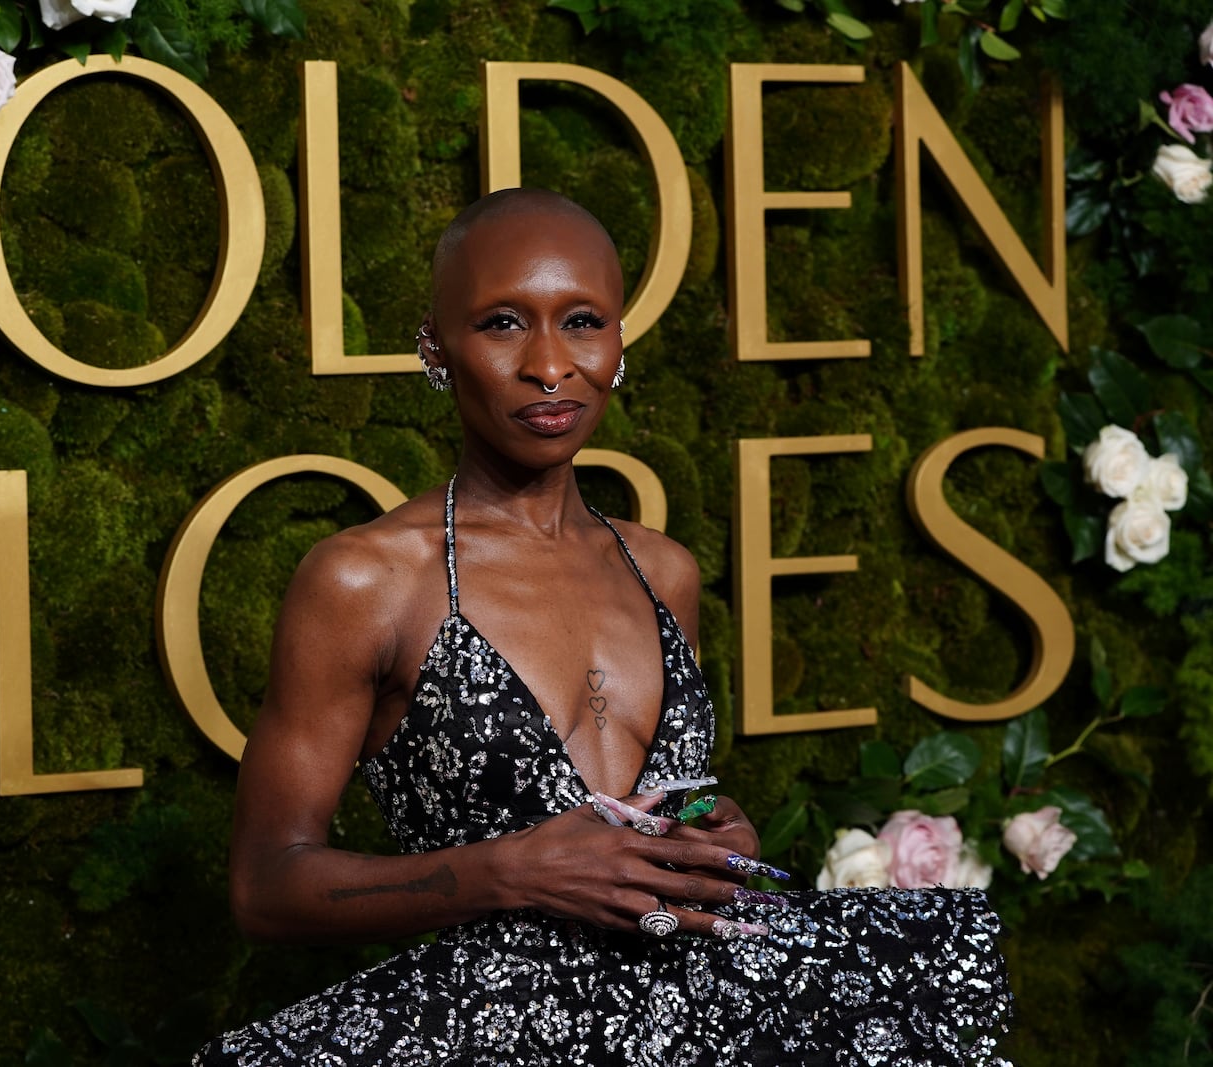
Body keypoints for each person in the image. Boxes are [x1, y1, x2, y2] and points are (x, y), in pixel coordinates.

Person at [194, 189, 1013, 1065]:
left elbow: (655, 801)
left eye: (582, 320)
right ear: (436, 345)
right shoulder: (369, 578)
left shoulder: (662, 570)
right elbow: (265, 886)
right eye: (504, 323)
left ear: (619, 341)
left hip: (715, 1016)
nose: (550, 365)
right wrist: (511, 871)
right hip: (502, 1030)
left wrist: (707, 831)